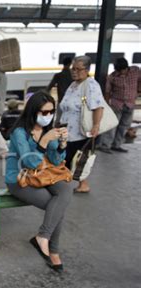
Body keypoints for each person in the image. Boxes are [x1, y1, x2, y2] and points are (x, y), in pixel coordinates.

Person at [5, 91, 71, 273]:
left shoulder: (47, 131)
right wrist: (43, 142)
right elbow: (29, 162)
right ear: (33, 111)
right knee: (57, 207)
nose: (47, 116)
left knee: (65, 190)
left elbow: (56, 161)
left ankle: (43, 237)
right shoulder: (20, 133)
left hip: (44, 175)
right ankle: (53, 250)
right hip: (20, 180)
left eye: (51, 112)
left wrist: (62, 145)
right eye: (43, 112)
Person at [59, 55, 104, 194]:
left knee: (73, 159)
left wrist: (96, 126)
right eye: (73, 68)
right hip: (67, 130)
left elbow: (98, 107)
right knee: (70, 159)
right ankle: (78, 183)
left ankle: (64, 184)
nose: (75, 72)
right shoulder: (74, 84)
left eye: (79, 69)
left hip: (80, 132)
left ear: (87, 70)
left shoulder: (91, 85)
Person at [98, 57, 141, 153]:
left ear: (127, 67)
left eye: (123, 70)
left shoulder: (136, 71)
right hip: (116, 104)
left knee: (124, 126)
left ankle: (116, 145)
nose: (121, 73)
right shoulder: (112, 77)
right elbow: (108, 92)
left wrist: (139, 89)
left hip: (130, 103)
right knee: (112, 125)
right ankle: (105, 145)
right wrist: (106, 105)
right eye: (119, 71)